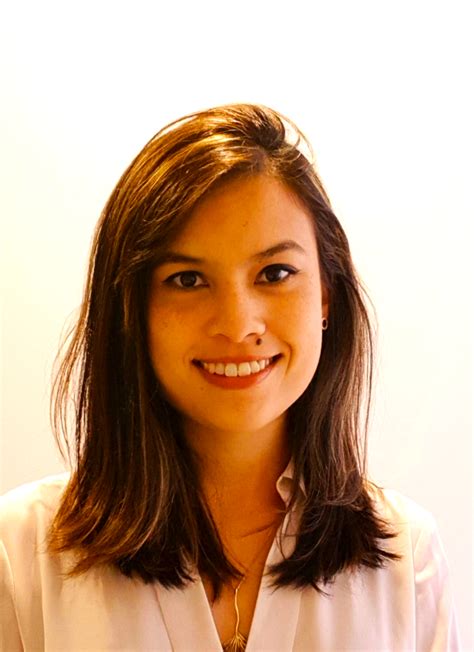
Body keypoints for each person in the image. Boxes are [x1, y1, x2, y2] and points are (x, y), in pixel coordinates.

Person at [0, 103, 459, 651]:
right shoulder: (22, 554)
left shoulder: (406, 559)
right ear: (131, 310)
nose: (239, 325)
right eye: (187, 279)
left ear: (326, 296)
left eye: (275, 273)